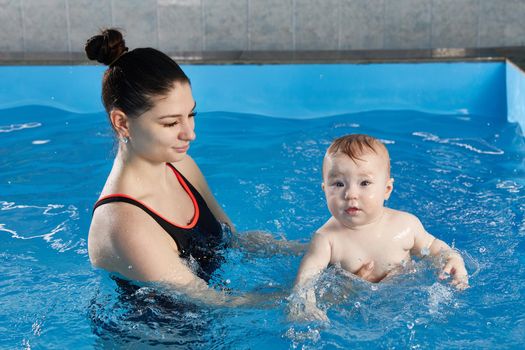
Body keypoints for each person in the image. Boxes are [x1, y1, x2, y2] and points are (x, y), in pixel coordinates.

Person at [86, 28, 251, 305]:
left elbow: (232, 240)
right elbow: (216, 303)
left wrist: (320, 253)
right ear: (122, 123)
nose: (190, 133)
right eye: (171, 123)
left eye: (191, 115)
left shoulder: (181, 165)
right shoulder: (123, 223)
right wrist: (322, 297)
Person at [291, 134, 469, 320]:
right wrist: (307, 305)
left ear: (386, 190)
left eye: (364, 183)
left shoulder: (405, 225)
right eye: (338, 184)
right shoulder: (326, 239)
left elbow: (433, 246)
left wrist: (453, 258)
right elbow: (306, 280)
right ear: (325, 190)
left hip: (400, 302)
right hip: (351, 304)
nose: (350, 194)